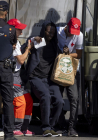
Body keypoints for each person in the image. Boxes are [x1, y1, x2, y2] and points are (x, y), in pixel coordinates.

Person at [23, 21, 64, 137]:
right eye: (48, 31)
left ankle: (51, 127)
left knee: (60, 101)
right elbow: (27, 43)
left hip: (49, 79)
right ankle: (45, 128)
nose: (50, 34)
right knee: (45, 96)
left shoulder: (55, 46)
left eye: (52, 32)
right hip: (35, 78)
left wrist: (65, 52)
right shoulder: (38, 42)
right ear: (44, 31)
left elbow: (61, 59)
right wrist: (32, 39)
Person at [7, 19, 34, 137]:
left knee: (28, 100)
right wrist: (28, 49)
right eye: (19, 30)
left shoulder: (16, 42)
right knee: (20, 101)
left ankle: (24, 127)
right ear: (12, 29)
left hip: (17, 76)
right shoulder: (9, 41)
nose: (21, 32)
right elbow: (21, 60)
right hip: (11, 75)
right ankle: (15, 128)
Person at [56, 17, 83, 137]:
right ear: (66, 27)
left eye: (75, 32)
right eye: (71, 31)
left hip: (72, 70)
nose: (73, 34)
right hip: (58, 69)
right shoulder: (57, 31)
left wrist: (67, 54)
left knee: (74, 98)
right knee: (57, 99)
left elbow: (79, 54)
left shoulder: (80, 35)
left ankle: (72, 127)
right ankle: (60, 125)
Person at [0, 1, 17, 140]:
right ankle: (9, 135)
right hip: (5, 68)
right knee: (7, 101)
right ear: (6, 12)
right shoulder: (11, 29)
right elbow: (12, 45)